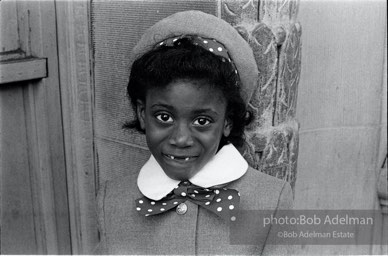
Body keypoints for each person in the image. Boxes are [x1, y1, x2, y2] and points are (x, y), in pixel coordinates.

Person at [95, 10, 293, 255]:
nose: (180, 139)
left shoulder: (271, 200)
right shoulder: (112, 199)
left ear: (228, 121)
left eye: (202, 120)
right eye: (164, 117)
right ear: (141, 114)